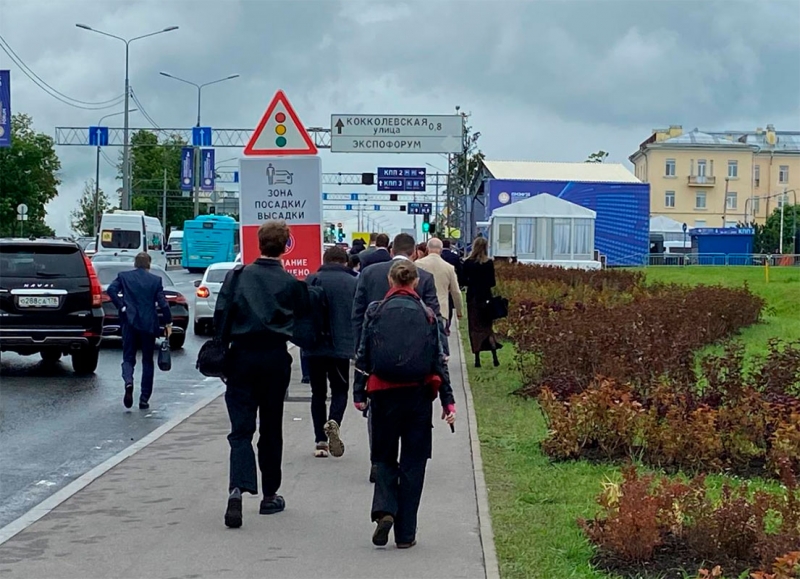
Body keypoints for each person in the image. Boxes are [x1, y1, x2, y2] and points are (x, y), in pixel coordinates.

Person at [353, 259, 456, 549]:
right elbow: (438, 360)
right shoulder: (427, 314)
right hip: (418, 396)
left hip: (383, 394)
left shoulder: (375, 311)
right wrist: (448, 402)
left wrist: (359, 393)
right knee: (414, 463)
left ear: (390, 281)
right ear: (415, 283)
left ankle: (385, 509)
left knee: (384, 457)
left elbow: (363, 354)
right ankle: (406, 533)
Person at [214, 220, 309, 529]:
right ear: (285, 246)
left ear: (259, 243)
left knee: (240, 429)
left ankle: (237, 490)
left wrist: (222, 354)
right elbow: (304, 327)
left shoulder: (238, 276)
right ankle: (269, 495)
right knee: (271, 426)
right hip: (274, 359)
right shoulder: (291, 283)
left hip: (240, 357)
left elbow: (221, 317)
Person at [352, 232, 441, 483]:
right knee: (413, 416)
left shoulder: (369, 273)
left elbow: (357, 314)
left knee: (377, 410)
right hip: (415, 362)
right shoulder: (424, 277)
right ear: (414, 253)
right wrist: (438, 355)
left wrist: (360, 352)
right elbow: (434, 317)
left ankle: (379, 460)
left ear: (391, 251)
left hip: (377, 357)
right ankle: (407, 465)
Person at [304, 246, 358, 458]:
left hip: (314, 346)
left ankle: (320, 441)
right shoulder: (353, 282)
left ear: (324, 260)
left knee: (317, 393)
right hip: (341, 346)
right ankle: (334, 422)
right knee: (340, 390)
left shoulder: (312, 280)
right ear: (345, 262)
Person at [107, 252, 172, 410]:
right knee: (147, 361)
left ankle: (128, 382)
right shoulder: (155, 280)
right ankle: (144, 399)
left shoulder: (124, 277)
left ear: (135, 264)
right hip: (148, 325)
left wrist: (122, 306)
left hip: (129, 322)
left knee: (128, 358)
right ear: (149, 265)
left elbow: (111, 290)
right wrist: (168, 322)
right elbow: (163, 303)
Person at [414, 238, 463, 341]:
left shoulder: (417, 265)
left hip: (421, 309)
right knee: (439, 341)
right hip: (441, 311)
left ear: (427, 249)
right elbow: (456, 292)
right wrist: (459, 311)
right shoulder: (449, 268)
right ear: (441, 250)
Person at [462, 236, 500, 368]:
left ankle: (477, 359)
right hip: (486, 299)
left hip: (473, 299)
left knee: (475, 328)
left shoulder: (468, 263)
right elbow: (492, 282)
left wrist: (472, 282)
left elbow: (463, 280)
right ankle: (494, 356)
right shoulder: (489, 263)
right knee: (487, 328)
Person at [440, 239, 464, 335]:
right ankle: (448, 325)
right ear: (449, 246)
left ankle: (442, 324)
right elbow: (460, 270)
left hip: (441, 283)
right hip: (451, 283)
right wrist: (459, 283)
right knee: (449, 305)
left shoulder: (440, 256)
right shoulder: (455, 257)